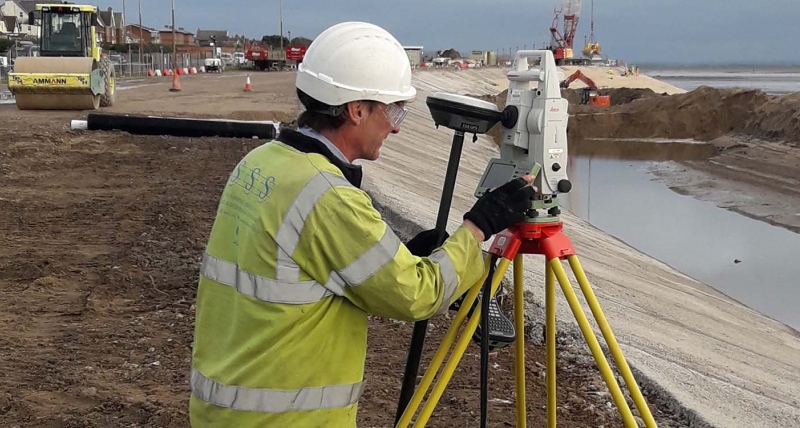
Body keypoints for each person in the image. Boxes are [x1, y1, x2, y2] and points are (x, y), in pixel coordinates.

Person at [188, 21, 535, 427]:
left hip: (226, 409)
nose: (397, 125)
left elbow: (300, 266)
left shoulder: (262, 163)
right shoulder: (328, 197)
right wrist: (480, 225)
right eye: (392, 110)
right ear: (356, 110)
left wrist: (402, 256)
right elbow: (415, 295)